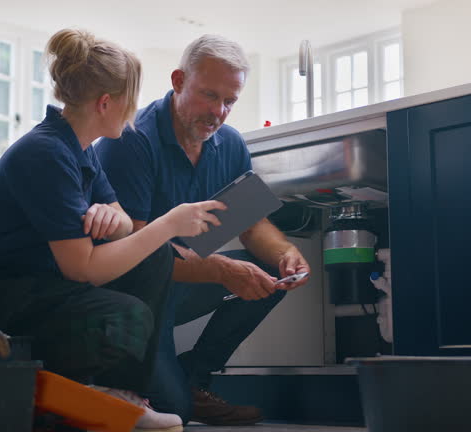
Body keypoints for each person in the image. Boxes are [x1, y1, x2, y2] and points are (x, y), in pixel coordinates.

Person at [0, 29, 226, 432]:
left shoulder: (79, 148)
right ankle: (89, 391)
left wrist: (113, 218)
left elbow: (118, 222)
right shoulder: (46, 153)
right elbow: (85, 270)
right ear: (105, 103)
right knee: (124, 315)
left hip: (34, 285)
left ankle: (122, 394)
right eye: (128, 101)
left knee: (154, 256)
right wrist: (169, 223)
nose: (133, 111)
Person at [95, 34, 311, 426]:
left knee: (269, 277)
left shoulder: (228, 144)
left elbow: (251, 224)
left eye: (230, 101)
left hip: (178, 284)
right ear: (178, 81)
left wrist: (283, 254)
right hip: (132, 299)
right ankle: (175, 390)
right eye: (209, 95)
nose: (219, 112)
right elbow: (137, 257)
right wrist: (222, 270)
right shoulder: (131, 140)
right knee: (173, 413)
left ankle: (194, 378)